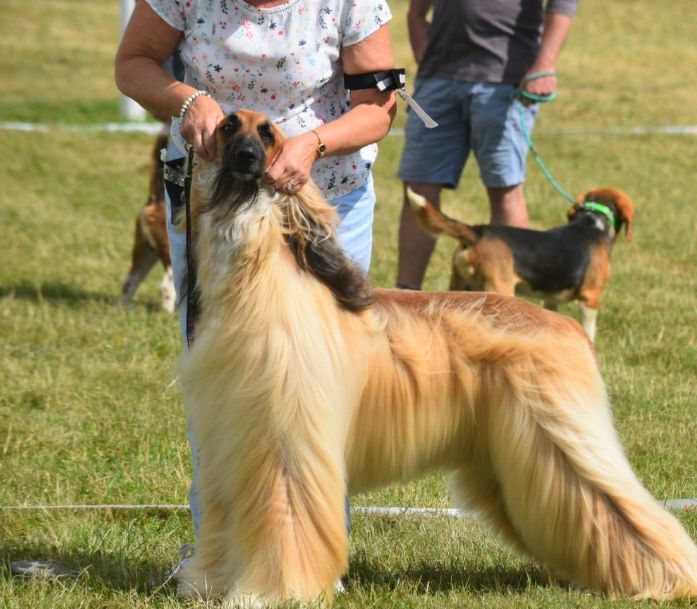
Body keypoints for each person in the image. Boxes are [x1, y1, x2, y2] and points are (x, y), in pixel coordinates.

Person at [114, 0, 397, 548]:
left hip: (318, 199)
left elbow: (377, 110)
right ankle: (218, 548)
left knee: (314, 386)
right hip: (210, 202)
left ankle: (312, 552)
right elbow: (135, 63)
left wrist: (311, 144)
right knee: (222, 377)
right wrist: (188, 100)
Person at [394, 0, 577, 290]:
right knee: (417, 189)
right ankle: (406, 296)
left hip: (506, 82)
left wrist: (545, 64)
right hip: (437, 79)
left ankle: (511, 304)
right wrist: (415, 20)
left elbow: (563, 4)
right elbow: (416, 12)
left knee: (504, 190)